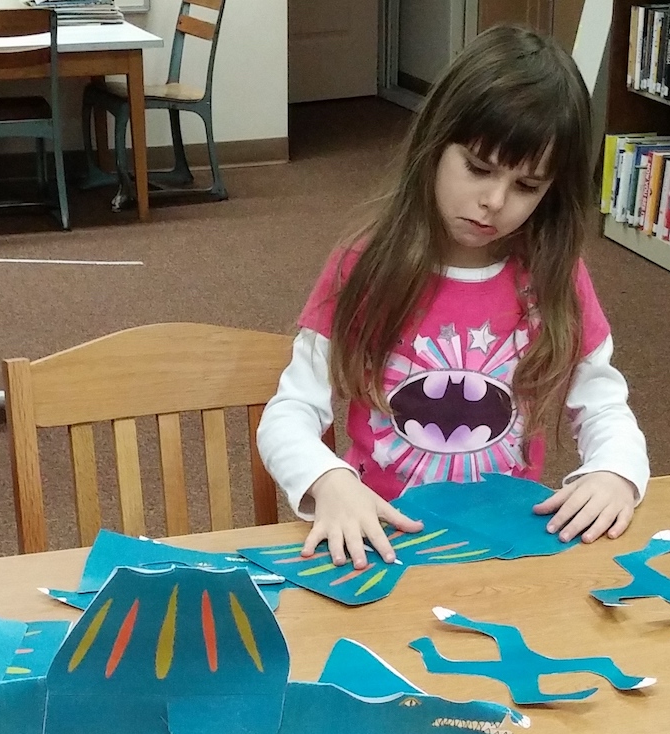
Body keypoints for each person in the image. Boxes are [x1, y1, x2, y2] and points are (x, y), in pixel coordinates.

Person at [256, 25, 649, 571]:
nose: (494, 201)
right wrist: (328, 481)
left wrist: (617, 472)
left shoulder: (556, 274)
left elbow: (604, 405)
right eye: (479, 169)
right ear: (435, 144)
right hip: (378, 546)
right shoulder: (364, 266)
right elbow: (290, 412)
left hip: (503, 550)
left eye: (527, 187)